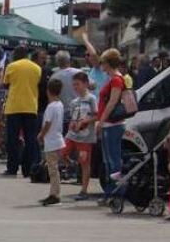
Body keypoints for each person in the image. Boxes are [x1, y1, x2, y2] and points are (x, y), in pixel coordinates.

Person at [1, 45, 42, 177]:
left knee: (12, 139)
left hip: (14, 107)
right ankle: (27, 169)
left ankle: (12, 168)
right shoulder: (37, 68)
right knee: (30, 139)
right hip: (31, 106)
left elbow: (6, 83)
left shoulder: (11, 66)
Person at [96, 49, 127, 205]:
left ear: (108, 63)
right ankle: (111, 192)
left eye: (102, 62)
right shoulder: (113, 79)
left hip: (112, 125)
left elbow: (112, 102)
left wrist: (101, 121)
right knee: (109, 160)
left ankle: (115, 193)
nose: (101, 65)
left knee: (112, 160)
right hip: (111, 124)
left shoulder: (115, 79)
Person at [62, 72, 97, 201]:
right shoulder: (74, 102)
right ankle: (70, 166)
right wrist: (72, 124)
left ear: (85, 84)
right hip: (72, 135)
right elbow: (72, 118)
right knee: (62, 152)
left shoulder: (91, 99)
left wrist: (85, 121)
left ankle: (84, 189)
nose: (75, 87)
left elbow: (96, 115)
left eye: (77, 84)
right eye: (74, 85)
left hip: (85, 137)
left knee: (84, 162)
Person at [37, 79, 66, 206]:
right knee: (54, 169)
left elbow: (47, 123)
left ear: (48, 91)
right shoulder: (60, 105)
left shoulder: (50, 107)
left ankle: (55, 194)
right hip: (58, 138)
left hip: (51, 140)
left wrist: (41, 134)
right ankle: (53, 193)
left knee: (52, 169)